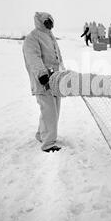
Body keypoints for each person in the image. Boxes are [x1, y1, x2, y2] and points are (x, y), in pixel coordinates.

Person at [22, 12, 65, 153]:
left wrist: (62, 72)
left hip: (55, 80)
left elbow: (58, 57)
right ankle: (48, 144)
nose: (50, 24)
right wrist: (42, 75)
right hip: (43, 82)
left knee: (54, 111)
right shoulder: (32, 38)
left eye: (51, 22)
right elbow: (33, 58)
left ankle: (41, 134)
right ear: (40, 22)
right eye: (47, 22)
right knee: (49, 112)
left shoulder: (50, 37)